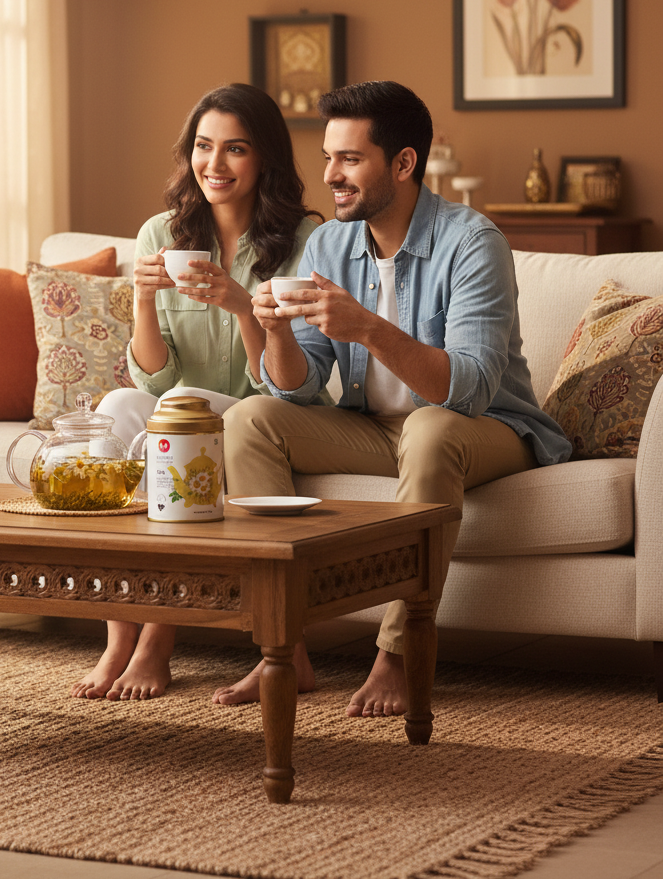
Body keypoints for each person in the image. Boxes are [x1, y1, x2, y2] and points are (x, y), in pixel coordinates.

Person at [215, 80, 571, 714]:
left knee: (431, 428)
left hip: (486, 427)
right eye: (328, 158)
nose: (331, 176)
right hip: (376, 427)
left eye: (350, 159)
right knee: (251, 417)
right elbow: (295, 387)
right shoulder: (328, 244)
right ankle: (282, 650)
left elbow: (468, 387)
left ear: (404, 163)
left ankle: (397, 656)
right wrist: (274, 333)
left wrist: (367, 328)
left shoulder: (472, 242)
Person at [70, 82, 323, 702]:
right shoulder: (164, 231)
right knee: (114, 412)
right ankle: (117, 636)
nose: (214, 164)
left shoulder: (308, 238)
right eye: (203, 147)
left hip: (256, 412)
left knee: (185, 413)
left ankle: (158, 641)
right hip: (178, 408)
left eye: (235, 149)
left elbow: (286, 386)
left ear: (264, 158)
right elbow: (152, 377)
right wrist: (142, 296)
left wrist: (243, 306)